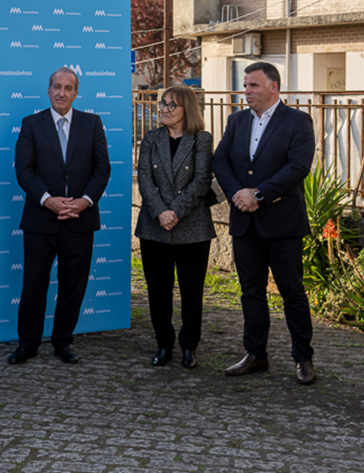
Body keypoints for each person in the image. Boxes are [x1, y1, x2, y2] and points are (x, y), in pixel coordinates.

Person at [211, 62, 318, 385]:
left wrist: (258, 194)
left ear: (274, 87)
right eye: (245, 85)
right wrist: (238, 194)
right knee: (251, 292)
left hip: (282, 225)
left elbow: (297, 166)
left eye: (253, 85)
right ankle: (255, 354)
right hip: (245, 224)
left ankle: (303, 358)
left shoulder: (298, 121)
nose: (247, 91)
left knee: (292, 293)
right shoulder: (237, 120)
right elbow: (220, 160)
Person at [8, 66, 110, 366]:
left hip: (80, 220)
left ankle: (63, 342)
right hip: (40, 220)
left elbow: (102, 169)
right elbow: (24, 170)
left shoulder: (92, 123)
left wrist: (85, 202)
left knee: (73, 286)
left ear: (76, 93)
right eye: (56, 87)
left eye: (68, 88)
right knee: (33, 285)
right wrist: (47, 200)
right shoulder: (31, 124)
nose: (61, 93)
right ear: (49, 90)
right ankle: (27, 344)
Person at [135, 86, 216, 370]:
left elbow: (202, 180)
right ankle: (163, 344)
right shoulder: (151, 138)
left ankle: (189, 346)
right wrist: (161, 212)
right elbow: (144, 179)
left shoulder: (201, 139)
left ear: (187, 110)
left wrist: (175, 213)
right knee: (158, 291)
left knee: (192, 291)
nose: (165, 109)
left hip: (192, 228)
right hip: (154, 227)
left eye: (172, 105)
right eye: (163, 104)